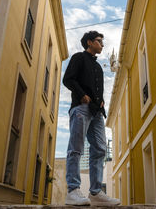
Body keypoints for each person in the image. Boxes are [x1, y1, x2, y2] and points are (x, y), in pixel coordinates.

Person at [63, 31, 120, 206]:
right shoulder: (79, 58)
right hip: (81, 108)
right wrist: (82, 95)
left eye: (102, 42)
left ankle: (95, 193)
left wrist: (101, 101)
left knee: (100, 149)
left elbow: (98, 90)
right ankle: (73, 190)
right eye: (99, 41)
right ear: (89, 42)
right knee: (76, 148)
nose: (102, 44)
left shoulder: (97, 67)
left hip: (96, 112)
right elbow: (68, 79)